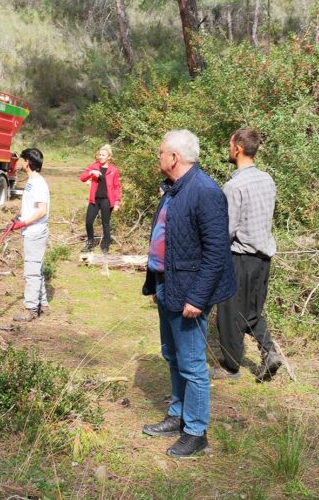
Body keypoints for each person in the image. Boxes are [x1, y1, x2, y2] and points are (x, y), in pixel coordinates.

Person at [140, 130, 237, 458]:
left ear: (174, 158)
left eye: (160, 152)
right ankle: (178, 413)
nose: (158, 157)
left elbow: (216, 252)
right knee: (172, 354)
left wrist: (197, 298)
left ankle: (196, 432)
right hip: (167, 284)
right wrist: (156, 283)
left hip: (190, 292)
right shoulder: (174, 189)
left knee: (193, 363)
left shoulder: (205, 191)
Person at [210, 128, 282, 382]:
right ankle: (269, 351)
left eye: (230, 144)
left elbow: (227, 230)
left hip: (240, 257)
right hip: (264, 257)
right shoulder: (267, 180)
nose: (229, 149)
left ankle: (230, 367)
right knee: (252, 311)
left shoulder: (233, 186)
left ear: (238, 148)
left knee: (229, 311)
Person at [12, 148, 50, 322]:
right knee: (37, 267)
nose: (21, 163)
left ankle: (31, 308)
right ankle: (43, 302)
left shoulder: (39, 183)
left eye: (22, 160)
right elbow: (31, 207)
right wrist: (19, 218)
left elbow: (42, 211)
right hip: (30, 230)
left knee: (32, 271)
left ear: (27, 162)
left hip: (35, 232)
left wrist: (25, 222)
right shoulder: (31, 181)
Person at [79, 144, 122, 253]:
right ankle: (90, 242)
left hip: (106, 200)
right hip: (94, 200)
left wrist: (117, 202)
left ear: (109, 157)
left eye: (103, 155)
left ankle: (105, 244)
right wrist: (91, 172)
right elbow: (82, 178)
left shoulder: (113, 170)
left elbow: (117, 186)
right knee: (88, 222)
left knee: (105, 223)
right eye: (99, 155)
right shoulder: (94, 166)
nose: (100, 157)